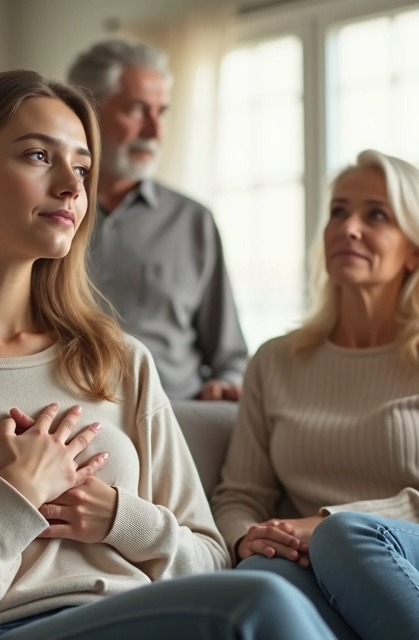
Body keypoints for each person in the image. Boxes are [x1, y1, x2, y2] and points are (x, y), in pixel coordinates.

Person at [0, 69, 332, 640]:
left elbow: (211, 557)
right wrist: (16, 497)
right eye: (38, 156)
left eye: (82, 168)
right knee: (257, 605)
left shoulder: (118, 360)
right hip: (4, 630)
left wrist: (120, 520)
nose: (71, 187)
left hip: (149, 619)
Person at [211, 150, 419, 640]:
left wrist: (327, 524)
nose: (349, 227)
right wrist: (250, 538)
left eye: (376, 215)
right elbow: (240, 494)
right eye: (338, 211)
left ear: (415, 249)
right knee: (262, 580)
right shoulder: (274, 361)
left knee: (347, 536)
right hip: (333, 573)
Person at [67, 40, 248, 402]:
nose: (154, 130)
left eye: (160, 112)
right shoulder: (43, 214)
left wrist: (228, 383)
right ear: (86, 111)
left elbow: (231, 356)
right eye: (136, 110)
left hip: (178, 422)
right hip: (66, 424)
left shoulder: (194, 221)